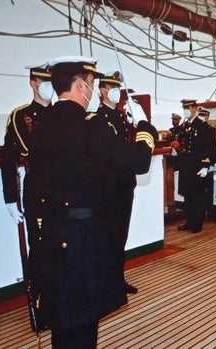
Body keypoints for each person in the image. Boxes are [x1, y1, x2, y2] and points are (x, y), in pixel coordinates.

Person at [25, 56, 156, 348]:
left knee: (62, 316)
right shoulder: (90, 126)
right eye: (92, 83)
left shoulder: (41, 126)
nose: (92, 89)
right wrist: (146, 129)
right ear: (81, 85)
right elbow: (137, 162)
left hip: (53, 232)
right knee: (83, 319)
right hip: (83, 234)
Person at [0, 63, 53, 249]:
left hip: (65, 191)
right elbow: (8, 160)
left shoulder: (63, 114)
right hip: (38, 190)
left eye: (51, 81)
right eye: (44, 81)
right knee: (41, 248)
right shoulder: (21, 117)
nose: (49, 85)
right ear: (33, 83)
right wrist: (10, 198)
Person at [96, 70, 138, 294]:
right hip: (108, 188)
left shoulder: (122, 117)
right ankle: (107, 282)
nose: (115, 92)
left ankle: (118, 279)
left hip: (125, 185)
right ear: (102, 90)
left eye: (117, 88)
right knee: (108, 236)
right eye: (111, 88)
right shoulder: (98, 119)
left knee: (121, 234)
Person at [173, 99, 216, 233]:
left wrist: (206, 165)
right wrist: (176, 149)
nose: (185, 110)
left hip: (198, 166)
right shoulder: (184, 126)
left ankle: (197, 224)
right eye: (184, 107)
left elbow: (209, 147)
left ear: (194, 109)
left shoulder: (203, 126)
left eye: (188, 107)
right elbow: (181, 143)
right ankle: (190, 221)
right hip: (185, 165)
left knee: (197, 196)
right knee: (187, 195)